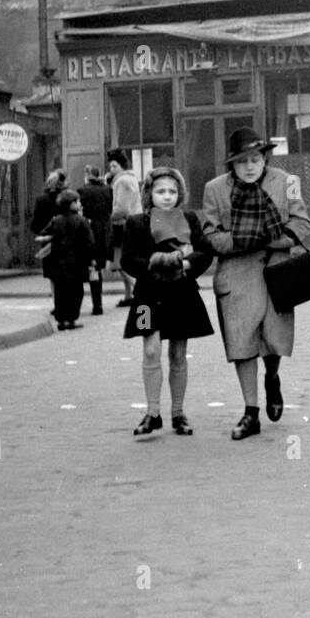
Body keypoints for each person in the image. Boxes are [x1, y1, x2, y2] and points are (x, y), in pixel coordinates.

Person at [201, 129, 310, 441]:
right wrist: (241, 241)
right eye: (242, 161)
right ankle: (251, 413)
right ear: (231, 165)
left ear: (264, 157)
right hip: (237, 275)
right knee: (242, 343)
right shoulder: (214, 190)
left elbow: (302, 222)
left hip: (278, 271)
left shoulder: (287, 182)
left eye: (256, 159)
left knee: (274, 340)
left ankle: (272, 378)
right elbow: (209, 235)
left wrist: (271, 239)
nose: (251, 166)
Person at [120, 166, 214, 437]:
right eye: (161, 191)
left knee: (177, 353)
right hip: (147, 297)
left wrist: (185, 264)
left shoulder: (190, 219)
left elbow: (205, 251)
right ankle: (152, 412)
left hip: (181, 292)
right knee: (150, 350)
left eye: (173, 191)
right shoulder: (136, 222)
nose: (167, 196)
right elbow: (127, 259)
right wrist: (154, 262)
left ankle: (178, 412)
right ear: (149, 193)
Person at [37, 189, 94, 331]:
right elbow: (90, 242)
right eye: (77, 201)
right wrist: (90, 259)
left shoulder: (56, 220)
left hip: (58, 262)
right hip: (77, 262)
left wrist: (52, 240)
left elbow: (44, 234)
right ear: (71, 204)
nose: (80, 203)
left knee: (60, 292)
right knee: (76, 292)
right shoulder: (82, 221)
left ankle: (61, 320)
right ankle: (71, 319)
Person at [107, 149, 143, 308]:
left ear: (121, 166)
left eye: (114, 166)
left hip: (123, 225)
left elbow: (121, 208)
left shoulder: (122, 181)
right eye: (111, 166)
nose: (111, 170)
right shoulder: (131, 179)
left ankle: (139, 291)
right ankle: (129, 295)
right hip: (133, 224)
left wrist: (106, 217)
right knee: (124, 262)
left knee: (119, 263)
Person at [78, 164, 113, 316]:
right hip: (105, 230)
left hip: (90, 229)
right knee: (98, 267)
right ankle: (98, 304)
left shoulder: (83, 190)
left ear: (87, 175)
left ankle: (89, 304)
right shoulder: (107, 189)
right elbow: (110, 209)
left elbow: (81, 211)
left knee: (90, 266)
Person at [30, 170, 65, 284]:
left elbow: (36, 222)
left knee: (51, 273)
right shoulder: (65, 197)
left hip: (47, 238)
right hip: (64, 237)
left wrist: (40, 232)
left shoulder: (41, 199)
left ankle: (55, 298)